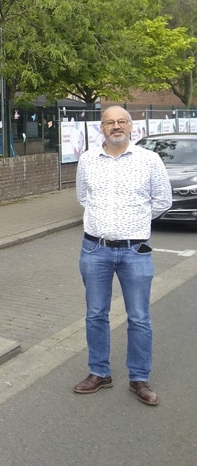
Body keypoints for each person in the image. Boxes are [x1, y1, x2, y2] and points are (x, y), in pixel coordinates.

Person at [73, 106, 172, 406]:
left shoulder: (149, 160)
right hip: (94, 249)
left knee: (140, 317)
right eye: (109, 122)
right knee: (95, 314)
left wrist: (135, 222)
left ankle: (139, 378)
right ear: (101, 128)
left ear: (131, 127)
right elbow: (83, 197)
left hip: (136, 250)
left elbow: (163, 200)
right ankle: (99, 372)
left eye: (121, 122)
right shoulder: (88, 159)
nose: (116, 126)